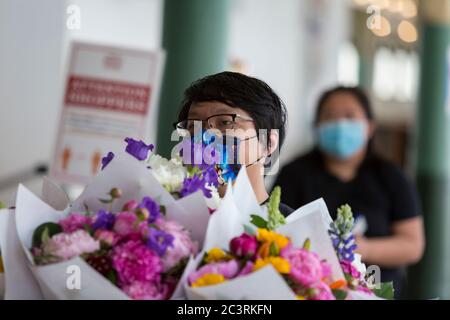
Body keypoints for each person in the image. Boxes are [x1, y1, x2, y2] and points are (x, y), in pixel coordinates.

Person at [273, 86, 425, 297]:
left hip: (380, 290)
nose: (340, 124)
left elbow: (412, 245)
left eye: (350, 116)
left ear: (370, 127)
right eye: (330, 116)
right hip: (309, 290)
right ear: (317, 126)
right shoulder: (294, 174)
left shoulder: (391, 177)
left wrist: (361, 249)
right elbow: (276, 232)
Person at [174, 71, 294, 216]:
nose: (205, 138)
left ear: (268, 142)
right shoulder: (167, 220)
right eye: (193, 127)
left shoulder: (296, 232)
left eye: (225, 123)